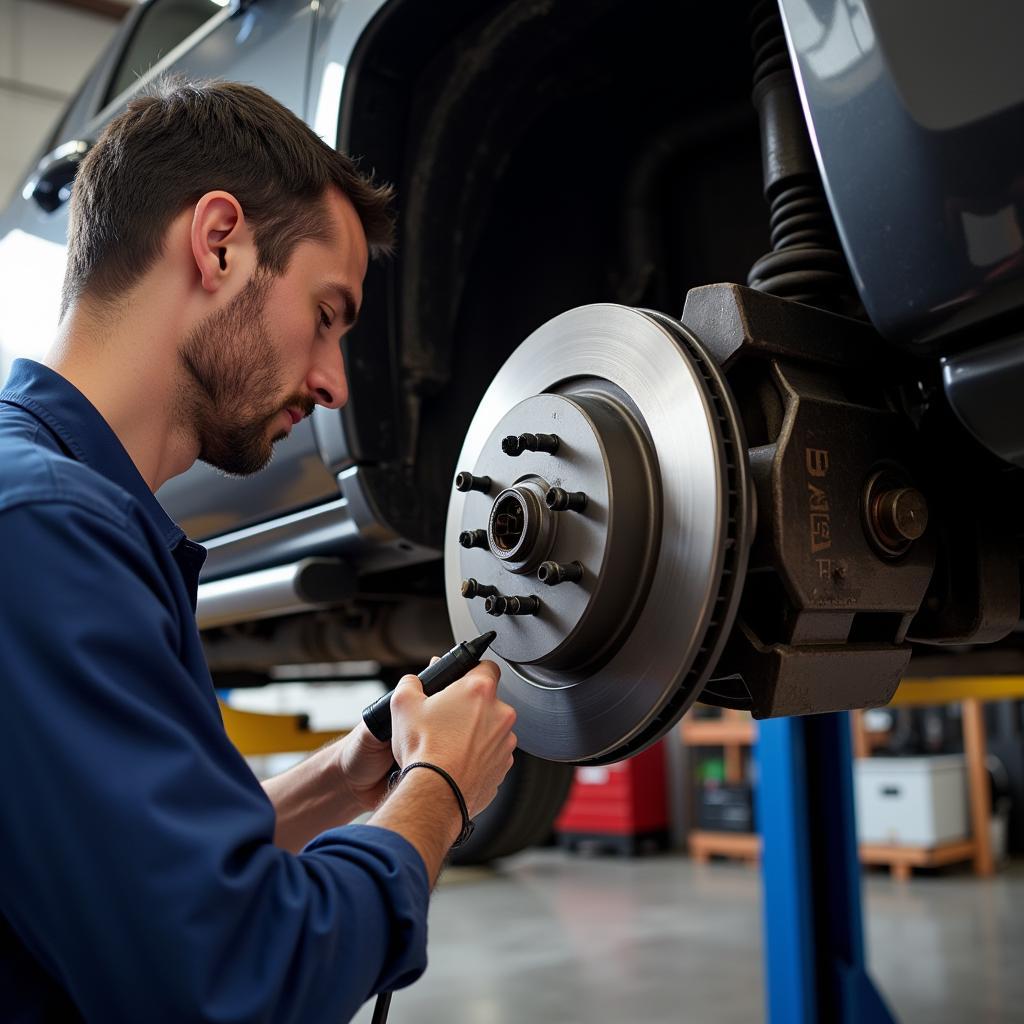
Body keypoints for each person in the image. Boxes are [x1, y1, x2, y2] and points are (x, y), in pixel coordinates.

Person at [0, 77, 517, 1022]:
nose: (331, 384)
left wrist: (341, 778)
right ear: (219, 241)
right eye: (326, 315)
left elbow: (143, 880)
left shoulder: (42, 508)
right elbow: (239, 976)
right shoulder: (41, 530)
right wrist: (439, 789)